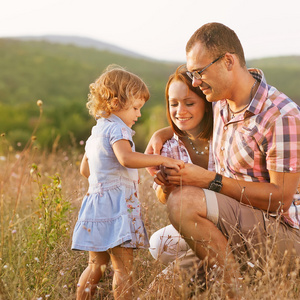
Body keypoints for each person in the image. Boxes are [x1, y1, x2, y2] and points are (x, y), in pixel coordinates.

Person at [146, 22, 300, 292]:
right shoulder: (220, 103)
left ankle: (236, 292)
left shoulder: (281, 116)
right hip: (235, 224)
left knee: (183, 202)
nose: (195, 82)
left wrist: (209, 180)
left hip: (285, 235)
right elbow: (189, 119)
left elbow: (280, 200)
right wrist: (162, 135)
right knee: (161, 284)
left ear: (228, 61)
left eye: (199, 72)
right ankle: (240, 272)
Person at [71, 65, 184, 300]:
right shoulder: (118, 130)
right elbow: (126, 158)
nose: (138, 114)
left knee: (95, 266)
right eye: (135, 108)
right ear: (115, 103)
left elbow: (85, 170)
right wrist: (161, 158)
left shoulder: (96, 132)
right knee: (123, 269)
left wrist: (107, 177)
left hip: (96, 205)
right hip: (117, 208)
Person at [148, 65, 214, 269]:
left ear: (205, 103)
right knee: (159, 245)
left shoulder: (222, 136)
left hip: (230, 215)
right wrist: (166, 188)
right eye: (173, 104)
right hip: (197, 220)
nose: (180, 111)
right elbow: (161, 196)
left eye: (189, 103)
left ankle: (217, 263)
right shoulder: (168, 146)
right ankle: (217, 262)